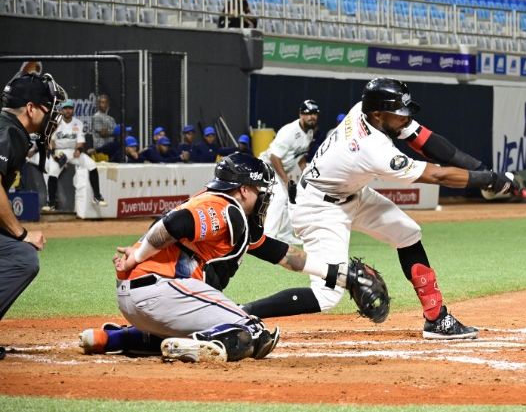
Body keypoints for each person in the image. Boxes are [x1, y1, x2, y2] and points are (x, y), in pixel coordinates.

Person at [244, 78, 519, 339]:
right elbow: (438, 176)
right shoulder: (371, 149)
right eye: (399, 113)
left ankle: (436, 319)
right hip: (319, 207)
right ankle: (243, 313)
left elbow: (425, 141)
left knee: (408, 233)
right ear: (378, 114)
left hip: (350, 193)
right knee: (327, 297)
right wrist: (490, 181)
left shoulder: (365, 111)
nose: (405, 118)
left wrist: (484, 172)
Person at [79, 153, 372, 362]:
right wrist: (137, 256)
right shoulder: (223, 206)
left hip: (142, 299)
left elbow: (280, 254)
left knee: (224, 324)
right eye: (260, 191)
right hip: (161, 289)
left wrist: (339, 275)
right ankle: (198, 346)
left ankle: (112, 339)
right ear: (244, 190)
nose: (263, 198)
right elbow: (175, 224)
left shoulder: (230, 215)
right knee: (252, 331)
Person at [0, 72, 66, 360]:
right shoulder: (10, 131)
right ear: (30, 108)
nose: (53, 115)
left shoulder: (9, 129)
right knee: (21, 256)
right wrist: (21, 233)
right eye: (47, 108)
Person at [258, 99, 319, 245]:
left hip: (282, 169)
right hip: (267, 165)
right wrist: (285, 180)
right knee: (279, 196)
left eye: (315, 113)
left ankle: (285, 235)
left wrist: (307, 174)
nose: (312, 116)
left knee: (291, 198)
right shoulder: (289, 131)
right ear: (301, 115)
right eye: (308, 113)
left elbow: (301, 155)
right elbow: (274, 157)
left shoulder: (309, 132)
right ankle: (268, 238)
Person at [41, 99, 107, 211]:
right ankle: (51, 203)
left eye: (70, 108)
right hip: (59, 152)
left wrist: (79, 150)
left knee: (92, 165)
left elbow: (81, 141)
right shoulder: (54, 123)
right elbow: (50, 142)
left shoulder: (78, 123)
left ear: (73, 110)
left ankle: (97, 196)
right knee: (52, 173)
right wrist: (52, 153)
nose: (68, 110)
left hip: (73, 151)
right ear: (61, 110)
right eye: (65, 108)